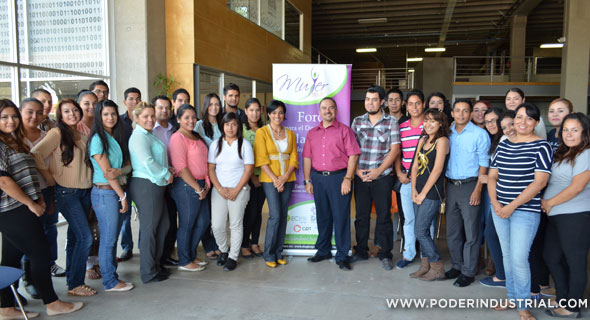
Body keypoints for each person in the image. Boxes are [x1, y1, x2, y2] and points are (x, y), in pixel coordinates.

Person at [0, 99, 84, 318]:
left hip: (23, 206)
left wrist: (39, 199)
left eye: (13, 116)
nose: (11, 121)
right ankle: (51, 302)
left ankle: (5, 307)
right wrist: (30, 203)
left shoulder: (13, 141)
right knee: (40, 253)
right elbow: (3, 181)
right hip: (12, 209)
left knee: (10, 258)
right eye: (4, 117)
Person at [488, 103, 552, 320]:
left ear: (535, 123)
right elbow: (492, 177)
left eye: (529, 118)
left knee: (518, 257)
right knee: (507, 256)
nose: (523, 122)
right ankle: (512, 296)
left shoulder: (542, 146)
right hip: (499, 209)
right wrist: (495, 204)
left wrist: (510, 206)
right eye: (520, 117)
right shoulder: (504, 145)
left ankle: (523, 305)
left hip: (525, 211)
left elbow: (539, 182)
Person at [31, 98, 96, 296]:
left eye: (75, 110)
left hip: (85, 191)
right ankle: (76, 283)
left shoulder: (81, 133)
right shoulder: (57, 133)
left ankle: (72, 282)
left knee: (76, 238)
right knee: (85, 238)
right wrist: (49, 177)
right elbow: (36, 153)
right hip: (67, 192)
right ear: (60, 115)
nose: (72, 114)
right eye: (67, 111)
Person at [303, 97, 361, 271]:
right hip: (318, 178)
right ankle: (323, 250)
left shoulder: (345, 131)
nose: (327, 111)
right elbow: (307, 157)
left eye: (331, 108)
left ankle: (343, 255)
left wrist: (348, 178)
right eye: (324, 108)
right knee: (323, 216)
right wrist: (307, 180)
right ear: (319, 112)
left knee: (341, 217)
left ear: (335, 110)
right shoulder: (312, 133)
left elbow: (353, 155)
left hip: (339, 178)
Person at [541, 113, 590, 319]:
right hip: (556, 215)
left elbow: (577, 186)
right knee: (551, 257)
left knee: (575, 261)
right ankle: (564, 296)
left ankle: (572, 306)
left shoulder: (585, 153)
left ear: (584, 133)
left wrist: (549, 202)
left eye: (575, 130)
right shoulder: (564, 151)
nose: (569, 134)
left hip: (575, 215)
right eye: (566, 129)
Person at [18, 98, 65, 301]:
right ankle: (29, 279)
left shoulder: (48, 136)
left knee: (49, 230)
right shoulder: (12, 139)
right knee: (30, 237)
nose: (34, 117)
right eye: (29, 112)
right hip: (23, 195)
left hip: (46, 191)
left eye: (39, 112)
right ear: (20, 112)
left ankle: (46, 268)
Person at [350, 85, 400, 270]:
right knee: (361, 216)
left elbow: (395, 150)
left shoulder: (391, 122)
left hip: (382, 177)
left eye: (374, 99)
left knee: (384, 216)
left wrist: (378, 171)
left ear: (382, 102)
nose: (369, 103)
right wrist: (356, 172)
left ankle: (385, 253)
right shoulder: (357, 121)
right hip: (361, 177)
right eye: (367, 99)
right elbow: (351, 150)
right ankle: (361, 251)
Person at [86, 100, 134, 292]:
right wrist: (122, 196)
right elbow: (108, 173)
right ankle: (110, 281)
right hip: (106, 193)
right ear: (99, 116)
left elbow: (129, 166)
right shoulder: (98, 138)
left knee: (111, 237)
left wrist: (120, 171)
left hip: (117, 190)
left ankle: (112, 276)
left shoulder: (117, 135)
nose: (110, 118)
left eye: (113, 114)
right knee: (109, 239)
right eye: (105, 114)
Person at [443, 99, 491, 288]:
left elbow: (484, 163)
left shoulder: (480, 134)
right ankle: (456, 265)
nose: (461, 114)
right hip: (451, 185)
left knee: (471, 232)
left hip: (471, 185)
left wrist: (478, 189)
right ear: (452, 113)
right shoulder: (447, 133)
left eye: (465, 111)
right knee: (453, 231)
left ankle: (469, 271)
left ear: (471, 114)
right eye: (457, 111)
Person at [128, 102, 173, 283]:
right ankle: (148, 272)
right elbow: (147, 162)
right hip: (146, 184)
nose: (150, 119)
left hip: (157, 183)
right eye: (145, 116)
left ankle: (155, 265)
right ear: (136, 118)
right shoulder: (138, 137)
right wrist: (166, 173)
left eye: (152, 116)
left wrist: (166, 169)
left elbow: (157, 157)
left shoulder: (150, 134)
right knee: (150, 228)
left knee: (163, 225)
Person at [255, 100, 299, 268]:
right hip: (269, 180)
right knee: (275, 215)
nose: (277, 116)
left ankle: (279, 252)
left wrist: (284, 177)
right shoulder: (262, 132)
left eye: (280, 112)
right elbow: (261, 159)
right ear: (268, 114)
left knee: (283, 214)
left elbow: (294, 158)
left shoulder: (290, 133)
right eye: (274, 113)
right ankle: (269, 254)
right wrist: (276, 179)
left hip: (287, 179)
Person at [209, 112, 254, 271]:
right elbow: (211, 169)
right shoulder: (216, 144)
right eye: (227, 124)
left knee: (235, 224)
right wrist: (220, 189)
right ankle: (223, 250)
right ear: (222, 126)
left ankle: (233, 257)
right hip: (219, 190)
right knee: (217, 225)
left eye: (234, 124)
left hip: (239, 190)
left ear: (238, 126)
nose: (230, 127)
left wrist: (236, 190)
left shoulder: (244, 145)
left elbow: (248, 170)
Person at [409, 109, 450, 280]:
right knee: (420, 229)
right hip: (418, 191)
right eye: (426, 120)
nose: (428, 124)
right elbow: (415, 167)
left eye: (433, 121)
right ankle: (425, 266)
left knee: (420, 230)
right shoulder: (422, 139)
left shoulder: (442, 141)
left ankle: (437, 266)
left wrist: (423, 194)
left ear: (440, 123)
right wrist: (413, 190)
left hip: (432, 193)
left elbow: (437, 170)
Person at [169, 104, 210, 272]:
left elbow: (205, 161)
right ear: (178, 119)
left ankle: (191, 254)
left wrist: (206, 183)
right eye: (186, 117)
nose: (191, 121)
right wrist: (197, 188)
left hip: (202, 184)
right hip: (186, 186)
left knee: (203, 222)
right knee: (188, 223)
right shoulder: (177, 138)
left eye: (193, 117)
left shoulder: (197, 136)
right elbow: (181, 167)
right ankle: (184, 260)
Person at [395, 90, 425, 269]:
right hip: (406, 179)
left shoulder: (429, 125)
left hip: (425, 179)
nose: (415, 107)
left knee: (425, 219)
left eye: (418, 103)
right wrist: (399, 172)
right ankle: (408, 254)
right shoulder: (402, 126)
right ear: (406, 105)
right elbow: (397, 151)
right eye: (411, 103)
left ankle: (427, 254)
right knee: (409, 219)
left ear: (423, 104)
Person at [479, 107, 507, 288]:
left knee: (495, 233)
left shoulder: (505, 139)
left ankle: (504, 276)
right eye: (487, 121)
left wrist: (487, 178)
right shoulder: (494, 140)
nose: (490, 124)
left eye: (494, 121)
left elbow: (505, 171)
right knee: (492, 232)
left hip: (504, 195)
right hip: (495, 192)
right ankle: (503, 274)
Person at [193, 93, 223, 260]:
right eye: (211, 104)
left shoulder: (223, 123)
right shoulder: (198, 125)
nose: (214, 107)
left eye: (217, 104)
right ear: (205, 106)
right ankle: (208, 244)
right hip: (205, 172)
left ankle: (217, 243)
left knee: (216, 213)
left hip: (222, 173)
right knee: (205, 213)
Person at [152, 95, 181, 268]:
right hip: (156, 181)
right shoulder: (150, 130)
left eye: (167, 108)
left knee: (171, 220)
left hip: (174, 181)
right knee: (157, 222)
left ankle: (167, 254)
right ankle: (155, 258)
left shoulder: (174, 129)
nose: (164, 111)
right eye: (160, 107)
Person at [117, 87, 141, 262]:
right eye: (131, 99)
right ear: (125, 102)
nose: (134, 102)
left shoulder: (145, 120)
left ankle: (143, 245)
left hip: (141, 173)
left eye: (137, 99)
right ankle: (127, 247)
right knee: (125, 213)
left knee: (143, 211)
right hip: (125, 173)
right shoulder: (119, 122)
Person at [241, 98, 266, 258]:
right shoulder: (241, 130)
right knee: (249, 213)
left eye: (257, 110)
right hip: (247, 178)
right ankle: (244, 244)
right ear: (245, 111)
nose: (254, 113)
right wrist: (252, 177)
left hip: (264, 177)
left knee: (258, 212)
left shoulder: (265, 130)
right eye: (251, 110)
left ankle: (255, 242)